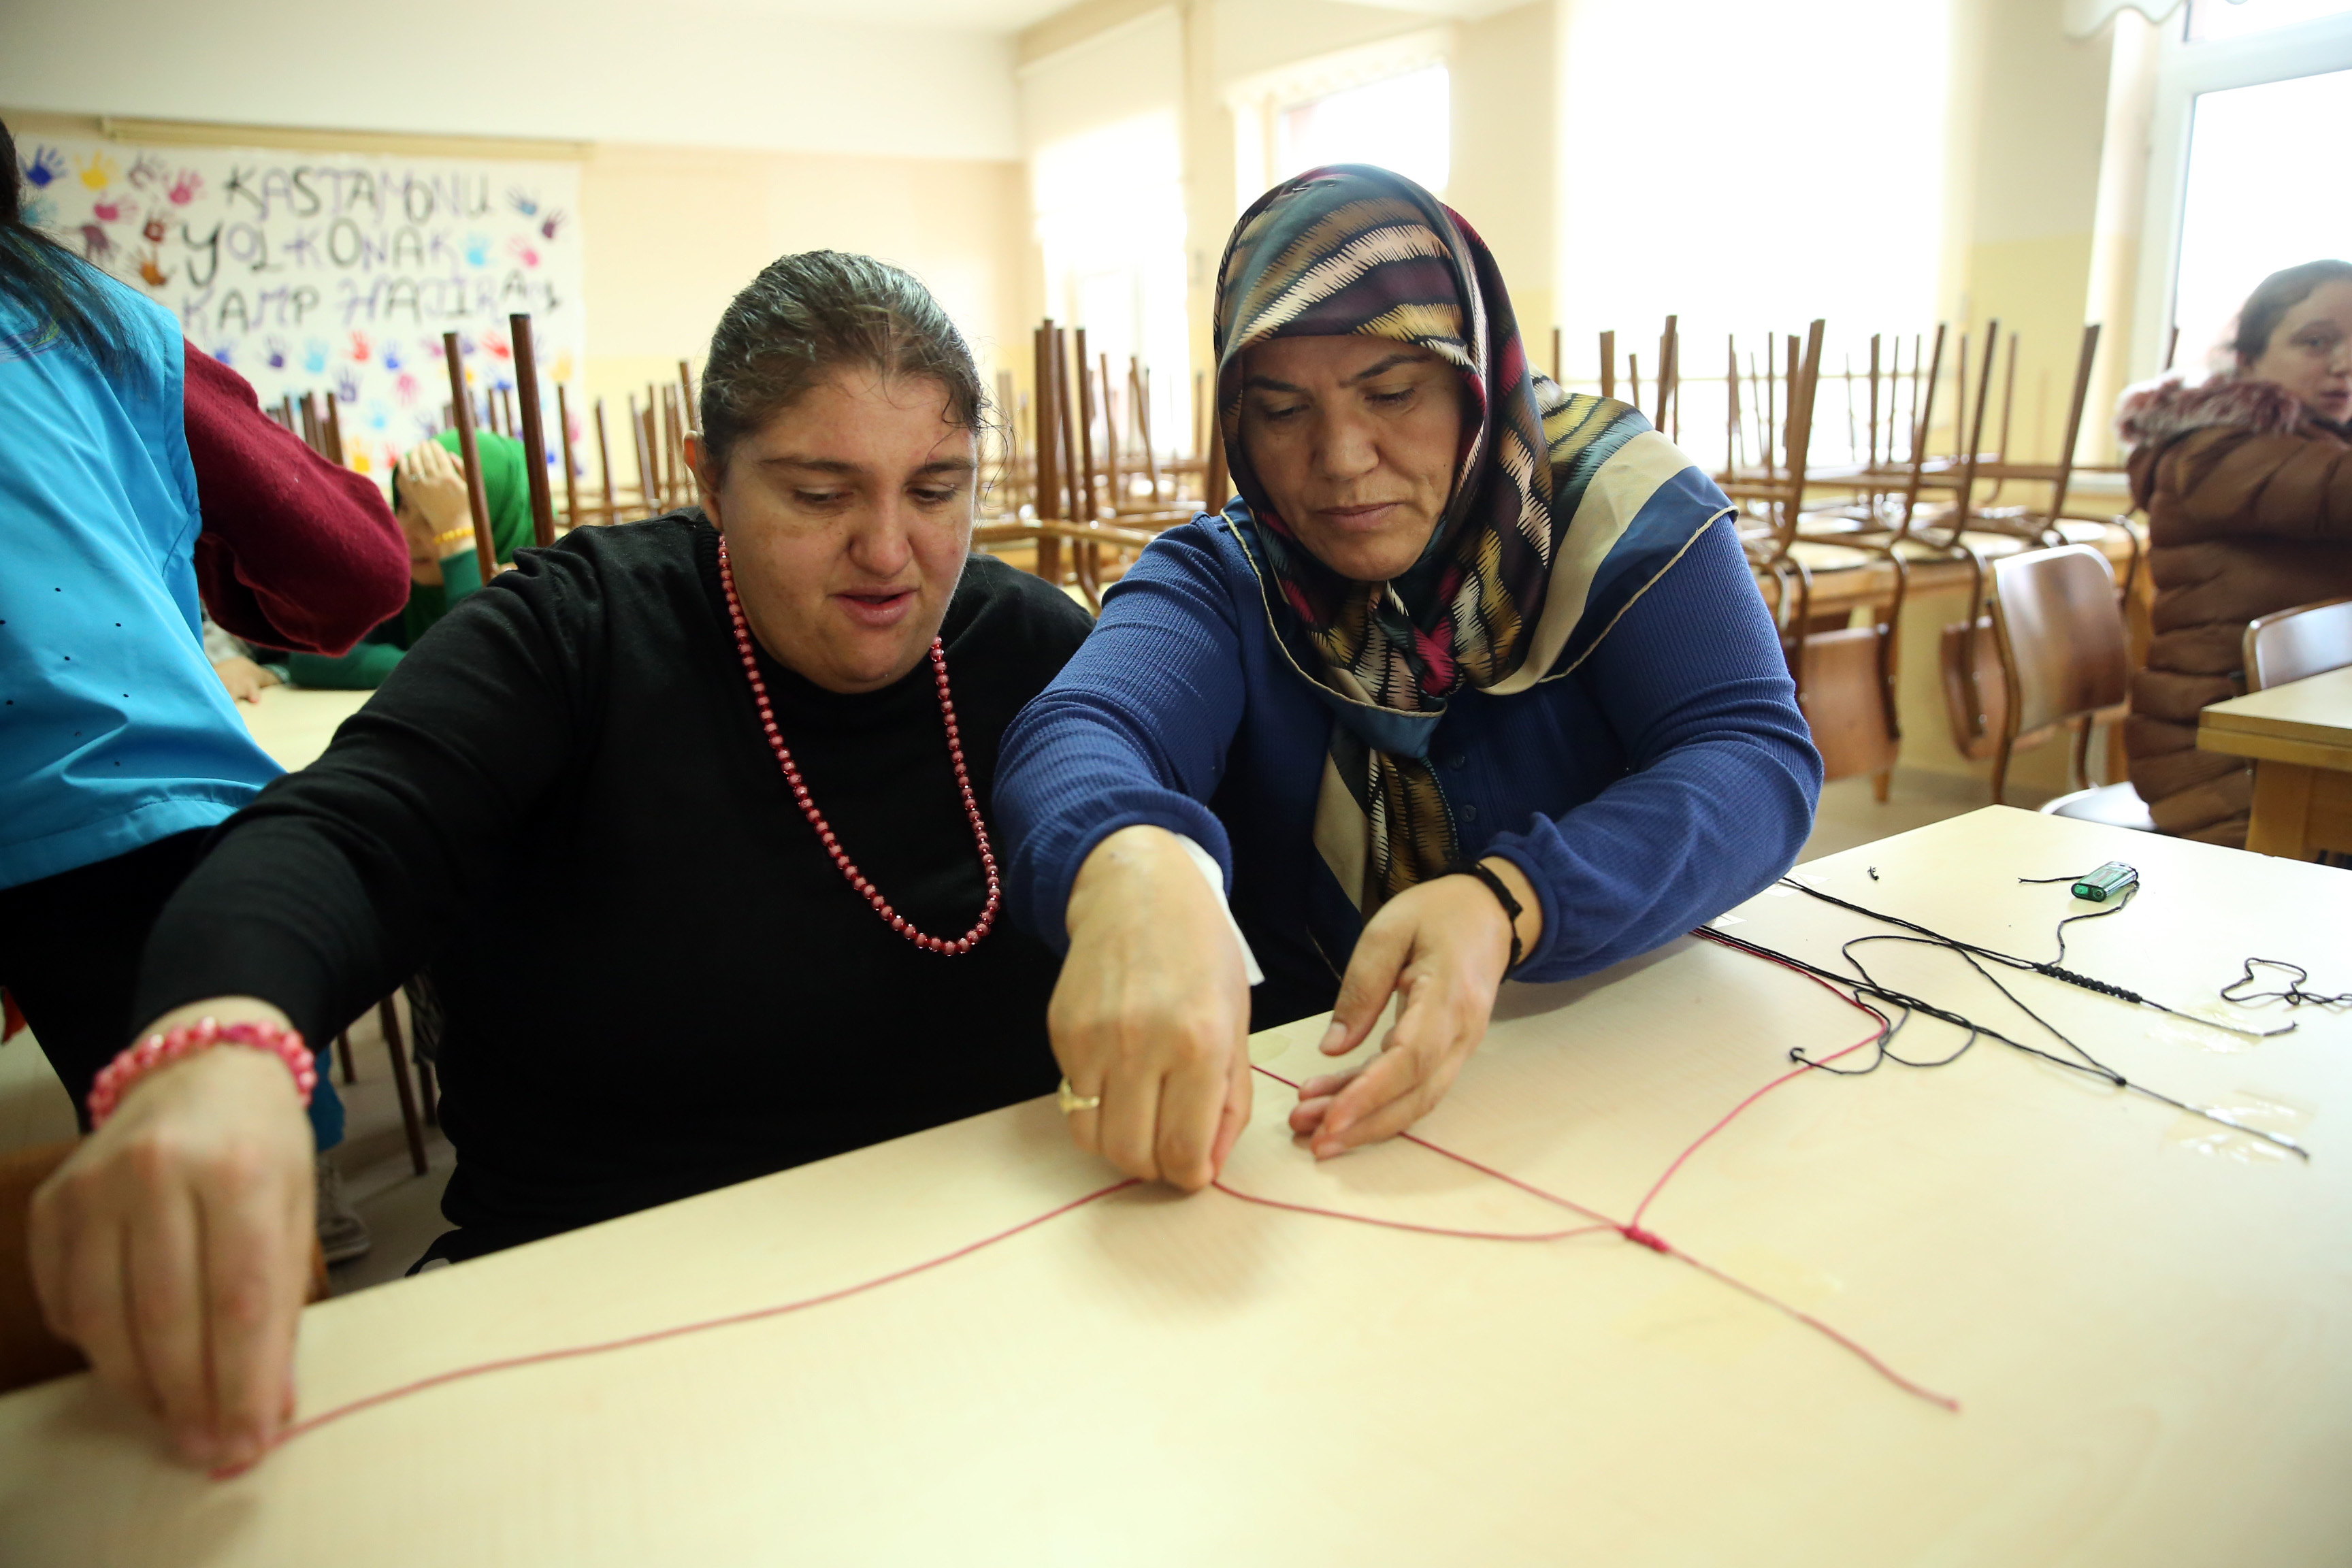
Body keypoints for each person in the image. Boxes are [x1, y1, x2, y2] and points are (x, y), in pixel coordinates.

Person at [29, 250, 1096, 1471]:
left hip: (985, 1299)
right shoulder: (578, 635)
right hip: (604, 1336)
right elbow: (345, 834)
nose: (891, 552)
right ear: (708, 478)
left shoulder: (1022, 645)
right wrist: (216, 1046)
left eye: (937, 488)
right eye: (817, 493)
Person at [996, 165, 1820, 1193]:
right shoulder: (1232, 576)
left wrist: (1511, 902)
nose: (1341, 458)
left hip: (1613, 1061)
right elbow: (1084, 725)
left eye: (1392, 392)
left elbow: (1752, 756)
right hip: (1314, 1101)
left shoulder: (1621, 516)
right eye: (1282, 410)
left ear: (1474, 380)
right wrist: (1131, 863)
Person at [0, 114, 406, 1138]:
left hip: (71, 829)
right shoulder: (85, 319)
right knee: (222, 1202)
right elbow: (356, 574)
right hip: (139, 811)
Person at [2118, 258, 2352, 845]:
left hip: (2288, 738)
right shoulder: (2217, 448)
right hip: (2217, 758)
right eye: (2316, 342)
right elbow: (2329, 492)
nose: (2344, 364)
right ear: (2248, 359)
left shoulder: (2319, 442)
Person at [272, 432, 536, 687]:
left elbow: (483, 664)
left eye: (435, 515)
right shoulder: (401, 579)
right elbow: (312, 652)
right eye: (405, 507)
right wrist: (431, 666)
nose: (404, 532)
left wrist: (457, 539)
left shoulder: (538, 584)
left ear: (495, 518)